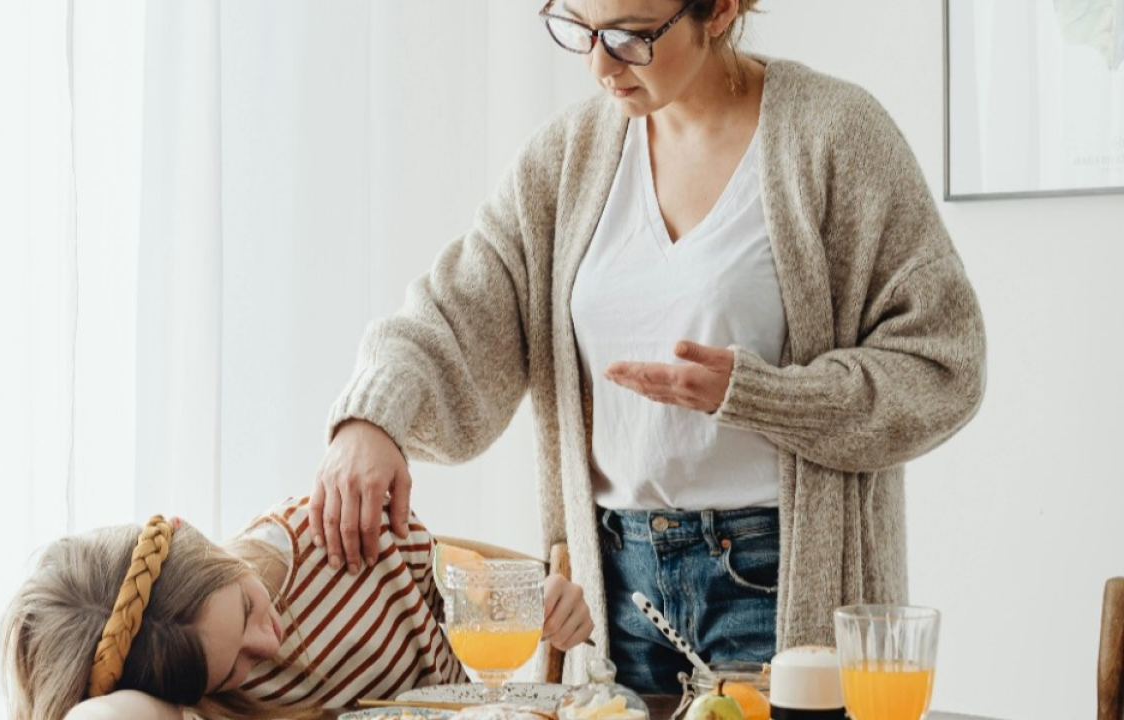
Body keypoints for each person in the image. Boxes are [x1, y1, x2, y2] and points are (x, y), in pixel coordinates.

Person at [310, 0, 986, 695]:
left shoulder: (834, 137)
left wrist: (757, 394)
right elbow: (457, 309)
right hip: (614, 589)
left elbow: (943, 361)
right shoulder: (565, 160)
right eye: (581, 29)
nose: (600, 64)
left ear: (718, 11)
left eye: (632, 36)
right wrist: (372, 416)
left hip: (775, 579)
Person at [1, 496, 594, 720]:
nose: (268, 645)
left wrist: (545, 601)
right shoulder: (189, 700)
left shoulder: (333, 530)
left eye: (245, 609)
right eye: (233, 667)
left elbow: (473, 591)